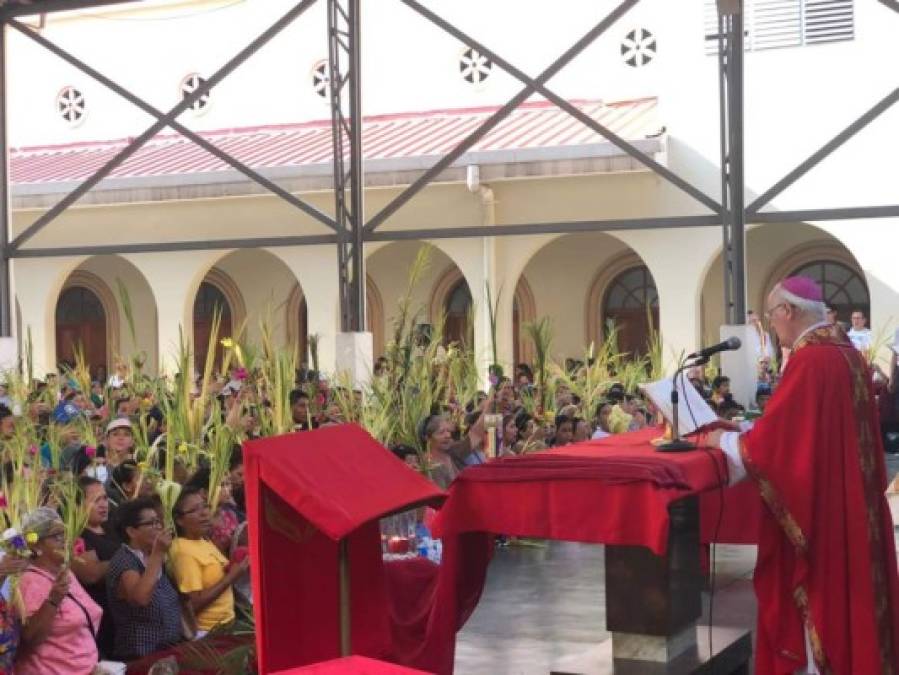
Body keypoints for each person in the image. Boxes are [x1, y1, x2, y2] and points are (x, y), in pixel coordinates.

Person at [701, 276, 899, 674]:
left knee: (822, 604)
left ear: (788, 311)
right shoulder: (844, 352)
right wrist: (744, 430)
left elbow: (779, 449)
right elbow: (807, 428)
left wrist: (717, 443)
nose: (772, 326)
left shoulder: (811, 359)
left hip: (823, 514)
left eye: (772, 316)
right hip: (851, 505)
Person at [17, 507, 103, 675]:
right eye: (57, 536)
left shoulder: (65, 572)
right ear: (35, 545)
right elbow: (30, 638)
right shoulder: (29, 581)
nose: (65, 541)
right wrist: (53, 600)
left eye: (65, 534)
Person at [106, 497, 183, 660]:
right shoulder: (124, 561)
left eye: (158, 521)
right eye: (151, 523)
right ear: (131, 531)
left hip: (168, 650)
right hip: (140, 655)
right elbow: (140, 598)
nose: (159, 527)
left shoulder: (152, 555)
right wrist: (158, 553)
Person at [168, 486, 247, 634]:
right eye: (195, 510)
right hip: (208, 633)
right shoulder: (183, 551)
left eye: (205, 506)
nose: (204, 513)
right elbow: (194, 604)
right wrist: (232, 577)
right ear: (179, 520)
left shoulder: (203, 539)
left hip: (225, 625)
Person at [71, 477, 119, 659]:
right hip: (103, 619)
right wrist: (127, 557)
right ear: (76, 505)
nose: (103, 504)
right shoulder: (76, 535)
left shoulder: (111, 528)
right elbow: (91, 574)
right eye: (95, 500)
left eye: (105, 498)